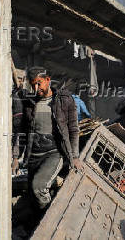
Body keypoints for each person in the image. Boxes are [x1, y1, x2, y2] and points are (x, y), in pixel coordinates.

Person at [12, 67, 82, 210]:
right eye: (33, 85)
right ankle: (36, 223)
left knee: (38, 187)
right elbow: (22, 131)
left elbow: (73, 130)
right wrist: (15, 157)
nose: (36, 88)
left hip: (54, 153)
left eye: (39, 83)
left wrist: (74, 156)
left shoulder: (64, 100)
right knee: (33, 193)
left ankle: (51, 218)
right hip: (34, 156)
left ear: (48, 80)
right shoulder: (30, 104)